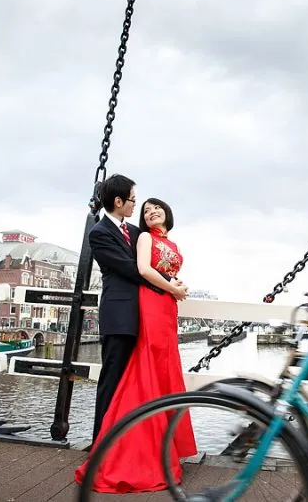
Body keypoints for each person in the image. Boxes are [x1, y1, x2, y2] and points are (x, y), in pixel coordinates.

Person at [75, 197, 197, 493]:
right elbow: (143, 270)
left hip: (168, 306)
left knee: (165, 371)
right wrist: (172, 288)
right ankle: (136, 450)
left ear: (168, 212)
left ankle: (165, 441)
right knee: (148, 372)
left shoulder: (175, 244)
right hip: (154, 303)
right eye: (145, 209)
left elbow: (167, 272)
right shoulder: (143, 237)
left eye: (157, 207)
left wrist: (177, 287)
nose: (151, 211)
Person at [87, 175, 186, 444]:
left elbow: (153, 261)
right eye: (132, 200)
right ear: (118, 201)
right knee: (113, 379)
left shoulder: (135, 232)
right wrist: (170, 286)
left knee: (139, 383)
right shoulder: (99, 234)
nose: (135, 205)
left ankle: (133, 442)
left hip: (146, 314)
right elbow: (132, 269)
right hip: (119, 316)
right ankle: (101, 443)